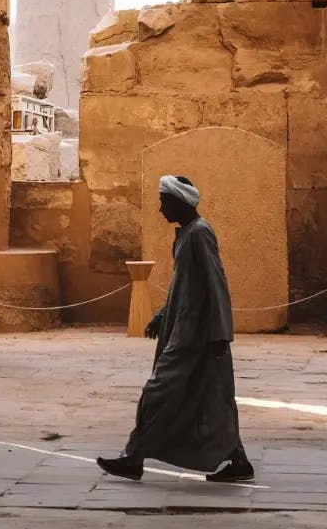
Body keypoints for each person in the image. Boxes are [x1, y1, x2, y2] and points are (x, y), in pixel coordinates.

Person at [97, 175, 255, 483]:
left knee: (158, 393)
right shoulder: (185, 235)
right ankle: (238, 461)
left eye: (164, 201)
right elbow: (183, 284)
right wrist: (162, 314)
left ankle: (134, 458)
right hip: (183, 330)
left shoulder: (200, 234)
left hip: (197, 337)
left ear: (181, 202)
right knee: (210, 397)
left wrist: (221, 333)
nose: (160, 209)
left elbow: (215, 284)